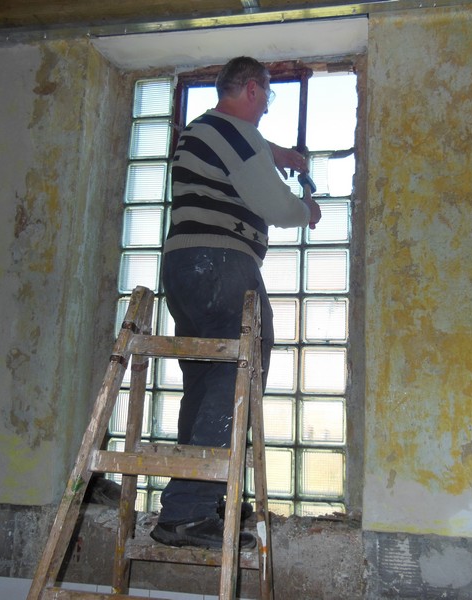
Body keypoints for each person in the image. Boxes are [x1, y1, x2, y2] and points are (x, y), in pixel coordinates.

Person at [150, 56, 321, 550]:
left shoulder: (203, 131)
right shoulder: (234, 133)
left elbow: (250, 150)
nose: (266, 107)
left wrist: (280, 155)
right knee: (241, 370)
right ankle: (188, 511)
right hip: (221, 263)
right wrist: (305, 209)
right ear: (251, 89)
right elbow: (276, 205)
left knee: (207, 380)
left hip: (186, 268)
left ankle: (200, 500)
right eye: (266, 96)